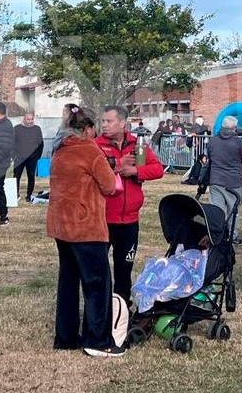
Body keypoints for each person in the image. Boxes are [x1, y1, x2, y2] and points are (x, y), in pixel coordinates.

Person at [46, 106, 123, 357]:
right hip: (86, 225)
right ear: (88, 129)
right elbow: (110, 185)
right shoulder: (89, 149)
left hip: (61, 224)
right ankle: (98, 341)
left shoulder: (59, 148)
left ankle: (66, 338)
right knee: (98, 284)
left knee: (68, 282)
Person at [95, 105, 164, 301]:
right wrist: (118, 167)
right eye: (103, 121)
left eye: (109, 121)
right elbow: (93, 176)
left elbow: (158, 169)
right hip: (103, 218)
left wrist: (136, 172)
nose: (105, 125)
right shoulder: (96, 145)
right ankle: (102, 309)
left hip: (130, 220)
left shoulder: (137, 145)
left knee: (124, 269)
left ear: (122, 123)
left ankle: (122, 308)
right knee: (99, 269)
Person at [207, 116, 242, 244]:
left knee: (217, 210)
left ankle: (217, 234)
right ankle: (232, 235)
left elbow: (210, 156)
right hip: (233, 181)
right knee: (233, 211)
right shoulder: (238, 142)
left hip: (216, 179)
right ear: (234, 128)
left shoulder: (213, 141)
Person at [14, 112, 45, 203]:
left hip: (32, 158)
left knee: (31, 177)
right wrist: (13, 155)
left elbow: (40, 144)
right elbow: (12, 142)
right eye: (28, 119)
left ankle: (29, 195)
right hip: (19, 157)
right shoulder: (17, 128)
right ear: (24, 119)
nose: (30, 121)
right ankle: (15, 195)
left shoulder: (37, 129)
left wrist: (37, 156)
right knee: (16, 176)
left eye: (32, 119)